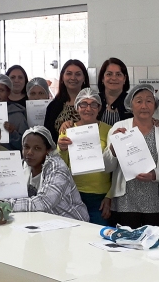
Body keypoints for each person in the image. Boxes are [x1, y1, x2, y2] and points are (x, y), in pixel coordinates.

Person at [103, 84, 159, 240]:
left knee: (155, 251)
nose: (144, 106)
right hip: (125, 204)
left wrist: (154, 175)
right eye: (139, 101)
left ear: (155, 105)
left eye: (149, 101)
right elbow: (107, 168)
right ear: (131, 105)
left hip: (156, 205)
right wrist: (113, 151)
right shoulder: (119, 128)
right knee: (126, 253)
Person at [0, 126, 88, 221]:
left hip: (72, 224)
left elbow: (43, 203)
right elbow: (10, 193)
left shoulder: (57, 168)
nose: (29, 152)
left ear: (48, 151)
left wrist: (2, 204)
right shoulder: (22, 165)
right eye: (26, 147)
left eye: (37, 148)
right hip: (44, 223)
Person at [57, 88, 112, 225]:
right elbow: (61, 167)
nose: (88, 108)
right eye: (83, 104)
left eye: (93, 104)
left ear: (99, 108)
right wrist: (62, 149)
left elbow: (117, 168)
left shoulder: (109, 130)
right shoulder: (67, 130)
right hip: (73, 194)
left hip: (100, 196)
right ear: (77, 107)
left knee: (99, 237)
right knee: (76, 237)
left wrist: (110, 196)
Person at [44, 59, 90, 141]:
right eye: (69, 74)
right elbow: (47, 137)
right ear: (62, 78)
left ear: (84, 78)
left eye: (78, 74)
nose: (73, 78)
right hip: (59, 152)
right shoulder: (53, 106)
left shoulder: (94, 103)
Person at [0, 74, 28, 151]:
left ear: (8, 92)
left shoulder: (17, 115)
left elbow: (25, 145)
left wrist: (13, 133)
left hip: (8, 159)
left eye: (1, 90)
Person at [97, 57, 133, 125]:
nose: (114, 78)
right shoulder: (94, 101)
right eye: (109, 74)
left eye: (118, 74)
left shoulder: (132, 102)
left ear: (124, 79)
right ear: (102, 78)